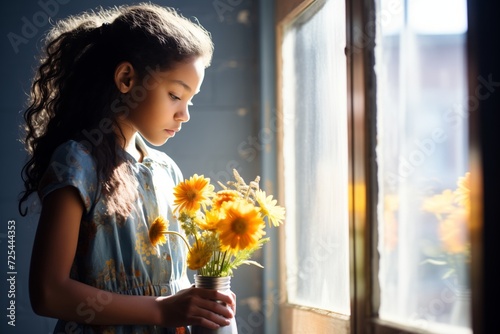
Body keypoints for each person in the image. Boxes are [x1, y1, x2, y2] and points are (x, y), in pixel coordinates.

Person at [18, 3, 235, 333]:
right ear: (126, 78)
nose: (184, 114)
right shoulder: (76, 163)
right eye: (176, 94)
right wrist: (161, 310)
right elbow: (48, 293)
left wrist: (201, 305)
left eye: (190, 100)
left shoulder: (167, 171)